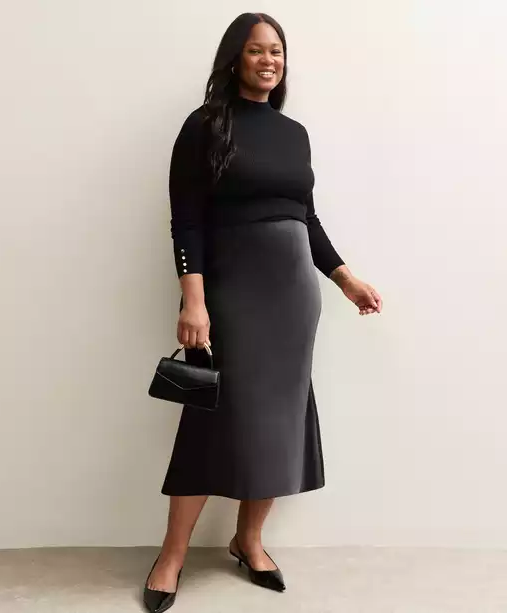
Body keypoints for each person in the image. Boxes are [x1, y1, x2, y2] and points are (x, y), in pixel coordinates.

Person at [143, 12, 382, 613]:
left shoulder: (293, 133)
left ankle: (248, 541)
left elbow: (306, 216)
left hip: (292, 298)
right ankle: (172, 554)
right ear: (235, 59)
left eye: (276, 50)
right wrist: (193, 300)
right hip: (229, 291)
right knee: (209, 420)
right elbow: (186, 219)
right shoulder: (205, 125)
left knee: (278, 421)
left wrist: (345, 278)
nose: (269, 60)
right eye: (256, 50)